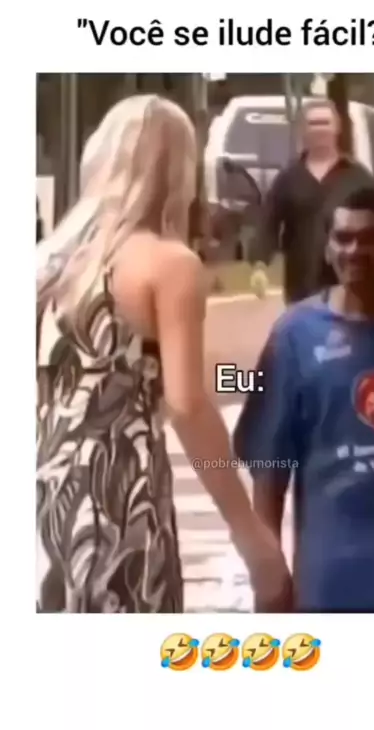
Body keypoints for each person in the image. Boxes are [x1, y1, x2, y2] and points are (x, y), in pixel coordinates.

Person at [36, 94, 291, 613]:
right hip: (119, 497)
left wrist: (251, 380)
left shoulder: (48, 265)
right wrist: (249, 533)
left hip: (45, 493)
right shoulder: (170, 264)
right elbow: (187, 403)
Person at [234, 186, 374, 613]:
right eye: (343, 238)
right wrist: (268, 575)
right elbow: (269, 469)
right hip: (333, 588)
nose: (354, 251)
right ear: (328, 249)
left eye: (370, 239)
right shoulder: (294, 336)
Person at [249, 98, 374, 304]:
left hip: (349, 285)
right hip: (301, 287)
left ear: (337, 127)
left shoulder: (358, 177)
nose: (320, 129)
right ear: (303, 130)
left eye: (325, 122)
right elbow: (268, 223)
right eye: (313, 123)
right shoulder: (288, 178)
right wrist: (259, 265)